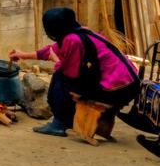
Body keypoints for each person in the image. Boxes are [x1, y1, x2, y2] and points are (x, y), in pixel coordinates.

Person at [9, 7, 140, 137]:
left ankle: (59, 124)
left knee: (60, 78)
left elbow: (69, 73)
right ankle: (77, 121)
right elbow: (51, 50)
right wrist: (23, 55)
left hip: (117, 90)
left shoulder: (73, 40)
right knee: (67, 77)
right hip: (130, 84)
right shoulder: (80, 32)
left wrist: (56, 60)